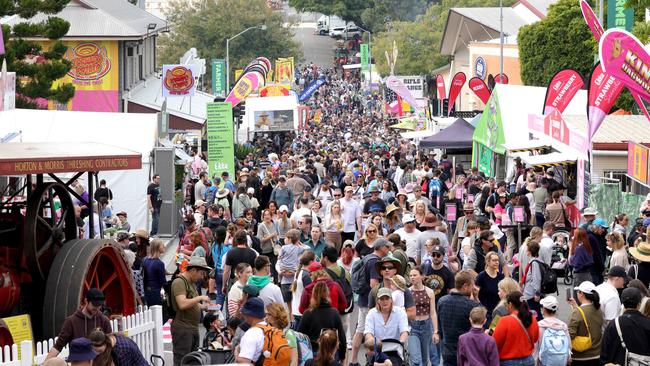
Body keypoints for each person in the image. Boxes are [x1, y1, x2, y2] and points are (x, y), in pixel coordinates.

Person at [45, 288, 112, 360]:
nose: (97, 308)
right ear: (86, 301)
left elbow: (110, 344)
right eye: (94, 304)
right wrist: (46, 363)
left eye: (99, 305)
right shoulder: (71, 321)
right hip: (79, 363)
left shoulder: (104, 320)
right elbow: (58, 346)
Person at [170, 257, 211, 366]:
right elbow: (182, 303)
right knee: (182, 360)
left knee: (192, 360)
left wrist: (203, 307)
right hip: (183, 328)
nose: (202, 277)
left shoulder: (191, 283)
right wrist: (200, 298)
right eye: (201, 273)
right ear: (193, 270)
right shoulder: (179, 282)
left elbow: (192, 302)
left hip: (191, 327)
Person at [437, 270, 481, 366]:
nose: (473, 288)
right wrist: (477, 298)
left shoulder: (442, 301)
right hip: (466, 351)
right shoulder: (471, 305)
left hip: (447, 350)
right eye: (472, 285)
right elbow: (482, 319)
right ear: (465, 286)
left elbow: (440, 328)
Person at [600, 287, 650, 365]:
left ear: (623, 303)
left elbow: (604, 355)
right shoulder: (647, 323)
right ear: (639, 304)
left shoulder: (613, 324)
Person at [298, 282, 347, 361]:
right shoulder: (334, 313)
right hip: (331, 353)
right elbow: (341, 337)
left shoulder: (308, 314)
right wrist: (342, 356)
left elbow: (300, 336)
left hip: (313, 353)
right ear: (327, 294)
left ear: (313, 294)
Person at [236, 298, 291, 365]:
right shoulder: (272, 329)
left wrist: (236, 353)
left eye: (244, 313)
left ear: (248, 315)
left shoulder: (251, 334)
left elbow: (244, 363)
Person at [492, 291, 540, 366]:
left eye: (506, 304)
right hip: (528, 360)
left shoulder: (505, 320)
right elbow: (535, 338)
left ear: (510, 305)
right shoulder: (532, 319)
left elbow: (495, 343)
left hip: (508, 362)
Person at [364, 288, 409, 366]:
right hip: (377, 350)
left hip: (395, 349)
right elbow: (368, 332)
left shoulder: (400, 312)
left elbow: (404, 330)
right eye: (382, 299)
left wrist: (401, 342)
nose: (384, 301)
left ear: (391, 299)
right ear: (378, 301)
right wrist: (372, 343)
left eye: (387, 298)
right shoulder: (372, 313)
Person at [409, 266, 440, 366]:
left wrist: (435, 331)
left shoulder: (429, 292)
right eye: (410, 275)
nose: (412, 277)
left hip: (426, 325)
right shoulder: (408, 292)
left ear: (422, 276)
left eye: (415, 275)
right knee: (416, 359)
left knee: (424, 358)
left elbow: (433, 312)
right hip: (412, 326)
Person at [568, 281, 603, 366]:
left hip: (581, 357)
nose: (577, 293)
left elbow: (570, 334)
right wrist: (575, 306)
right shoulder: (598, 309)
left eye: (578, 291)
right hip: (597, 355)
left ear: (582, 294)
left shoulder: (577, 312)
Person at [536, 296, 570, 366]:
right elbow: (569, 345)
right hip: (560, 362)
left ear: (544, 309)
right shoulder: (563, 326)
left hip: (544, 362)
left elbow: (536, 348)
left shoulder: (539, 325)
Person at [222, 230, 257, 294]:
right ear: (246, 239)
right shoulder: (252, 253)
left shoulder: (231, 253)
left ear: (235, 239)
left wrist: (224, 285)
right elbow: (255, 271)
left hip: (235, 280)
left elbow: (226, 271)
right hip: (248, 281)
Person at [476, 252, 505, 326]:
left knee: (495, 331)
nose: (497, 262)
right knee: (488, 332)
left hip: (498, 312)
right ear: (487, 262)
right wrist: (481, 307)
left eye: (498, 260)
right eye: (494, 260)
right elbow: (475, 293)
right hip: (486, 313)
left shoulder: (501, 277)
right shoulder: (481, 277)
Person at [520, 240, 543, 320]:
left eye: (527, 249)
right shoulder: (535, 262)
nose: (526, 251)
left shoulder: (534, 263)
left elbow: (536, 278)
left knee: (535, 313)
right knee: (534, 312)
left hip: (531, 293)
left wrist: (537, 293)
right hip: (529, 292)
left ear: (530, 251)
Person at [143, 238, 166, 307]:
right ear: (158, 247)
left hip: (146, 291)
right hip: (155, 291)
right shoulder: (159, 263)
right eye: (162, 245)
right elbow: (163, 281)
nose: (164, 246)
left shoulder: (145, 260)